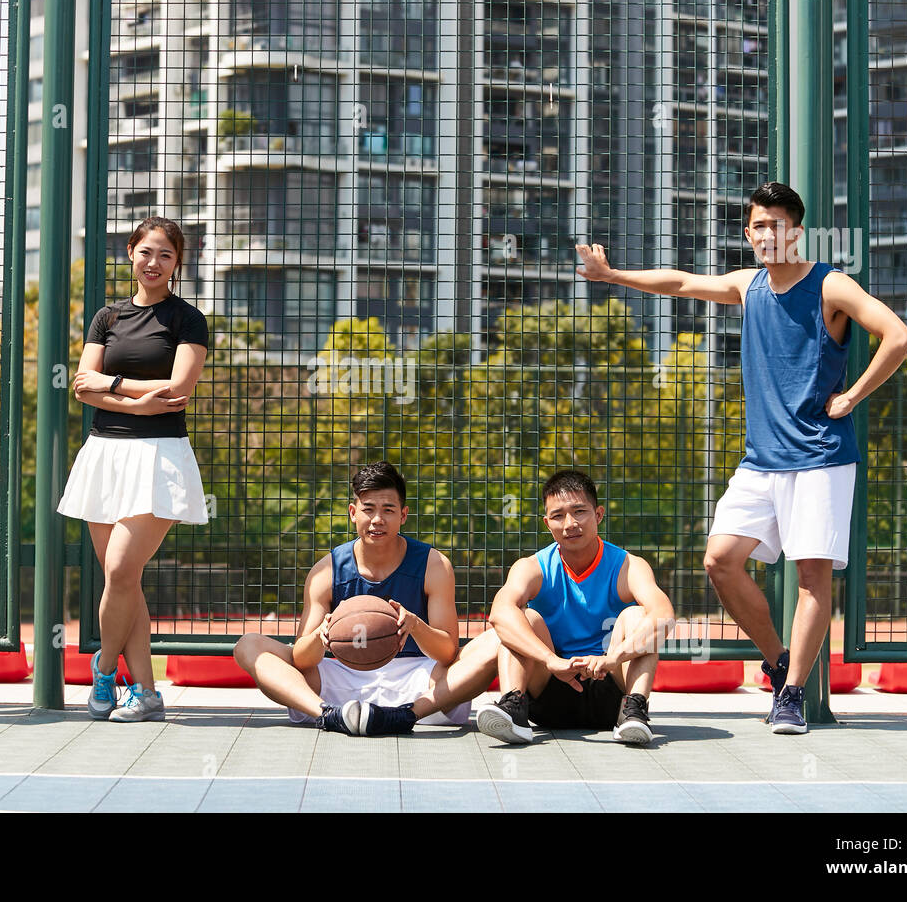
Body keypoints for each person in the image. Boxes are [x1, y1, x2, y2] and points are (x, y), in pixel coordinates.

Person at [576, 181, 907, 733]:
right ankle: (781, 662)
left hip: (822, 458)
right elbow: (682, 282)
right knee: (719, 560)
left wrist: (852, 396)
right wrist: (612, 276)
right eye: (758, 225)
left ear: (796, 232)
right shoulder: (747, 286)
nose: (766, 234)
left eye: (777, 225)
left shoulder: (831, 285)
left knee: (812, 578)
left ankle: (794, 696)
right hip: (761, 461)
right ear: (748, 232)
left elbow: (898, 337)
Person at [58, 216, 208, 722]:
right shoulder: (107, 317)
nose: (154, 262)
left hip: (159, 457)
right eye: (147, 252)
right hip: (104, 453)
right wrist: (135, 397)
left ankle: (102, 670)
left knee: (121, 571)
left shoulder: (187, 319)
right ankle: (146, 692)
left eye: (166, 255)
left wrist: (112, 386)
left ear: (177, 263)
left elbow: (178, 391)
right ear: (130, 253)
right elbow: (81, 385)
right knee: (126, 581)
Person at [233, 462, 499, 736]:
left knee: (497, 639)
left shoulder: (434, 565)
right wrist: (320, 637)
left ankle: (407, 715)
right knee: (248, 645)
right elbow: (302, 659)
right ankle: (326, 714)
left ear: (403, 515)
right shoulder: (327, 570)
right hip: (341, 679)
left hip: (419, 682)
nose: (377, 520)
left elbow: (447, 653)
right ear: (352, 513)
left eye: (388, 510)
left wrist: (416, 626)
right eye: (368, 509)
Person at [472, 470, 676, 745]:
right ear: (547, 523)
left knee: (638, 615)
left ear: (599, 514)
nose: (570, 523)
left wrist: (613, 658)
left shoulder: (629, 566)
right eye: (558, 516)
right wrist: (551, 661)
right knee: (522, 618)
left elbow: (664, 617)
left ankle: (635, 711)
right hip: (549, 691)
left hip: (612, 693)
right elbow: (499, 613)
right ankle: (514, 709)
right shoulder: (532, 567)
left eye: (579, 511)